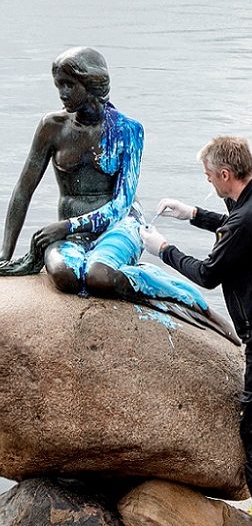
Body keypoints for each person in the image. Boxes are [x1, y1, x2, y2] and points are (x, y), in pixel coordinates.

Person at [139, 135, 252, 526]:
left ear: (225, 173)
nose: (209, 183)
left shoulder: (248, 216)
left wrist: (163, 249)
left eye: (209, 177)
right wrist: (195, 215)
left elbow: (207, 273)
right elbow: (239, 229)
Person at [0, 46, 234, 341]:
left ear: (92, 84)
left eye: (69, 85)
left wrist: (66, 225)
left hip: (120, 226)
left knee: (98, 276)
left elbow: (122, 204)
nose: (61, 92)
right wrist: (5, 254)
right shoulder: (52, 127)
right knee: (65, 276)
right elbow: (24, 189)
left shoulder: (127, 131)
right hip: (73, 237)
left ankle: (176, 292)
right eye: (58, 84)